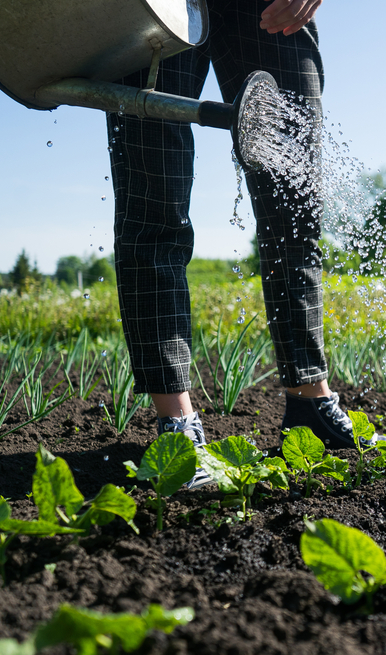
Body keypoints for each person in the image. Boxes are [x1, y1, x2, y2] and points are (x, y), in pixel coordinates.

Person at [107, 0, 358, 487]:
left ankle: (310, 398)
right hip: (159, 5)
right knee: (154, 203)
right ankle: (175, 425)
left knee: (295, 205)